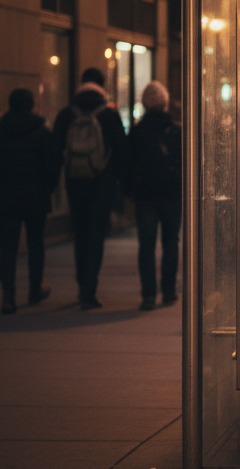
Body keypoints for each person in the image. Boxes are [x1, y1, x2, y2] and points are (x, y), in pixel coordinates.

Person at [52, 67, 127, 309]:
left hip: (74, 183)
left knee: (80, 234)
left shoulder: (66, 114)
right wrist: (120, 184)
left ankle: (80, 282)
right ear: (102, 85)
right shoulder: (109, 115)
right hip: (101, 184)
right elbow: (121, 150)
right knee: (95, 236)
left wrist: (53, 183)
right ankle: (88, 290)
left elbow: (55, 149)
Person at [0, 89, 59, 314]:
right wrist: (48, 189)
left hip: (7, 197)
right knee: (36, 245)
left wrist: (1, 183)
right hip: (36, 197)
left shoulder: (0, 131)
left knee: (8, 248)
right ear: (31, 106)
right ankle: (34, 288)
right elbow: (51, 165)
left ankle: (8, 296)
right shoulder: (41, 131)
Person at [125, 81, 181, 310]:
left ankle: (148, 294)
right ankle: (168, 291)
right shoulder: (177, 130)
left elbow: (128, 164)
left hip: (146, 195)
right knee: (171, 242)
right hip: (171, 193)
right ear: (165, 102)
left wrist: (130, 190)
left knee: (146, 246)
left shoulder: (138, 131)